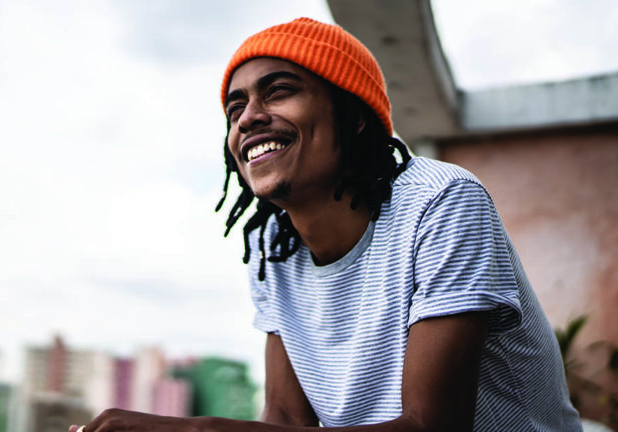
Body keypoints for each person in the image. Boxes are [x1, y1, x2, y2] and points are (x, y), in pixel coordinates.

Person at [70, 17, 583, 432]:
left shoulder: (441, 202)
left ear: (353, 115)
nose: (248, 117)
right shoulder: (272, 246)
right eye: (236, 106)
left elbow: (431, 427)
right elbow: (287, 419)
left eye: (278, 91)